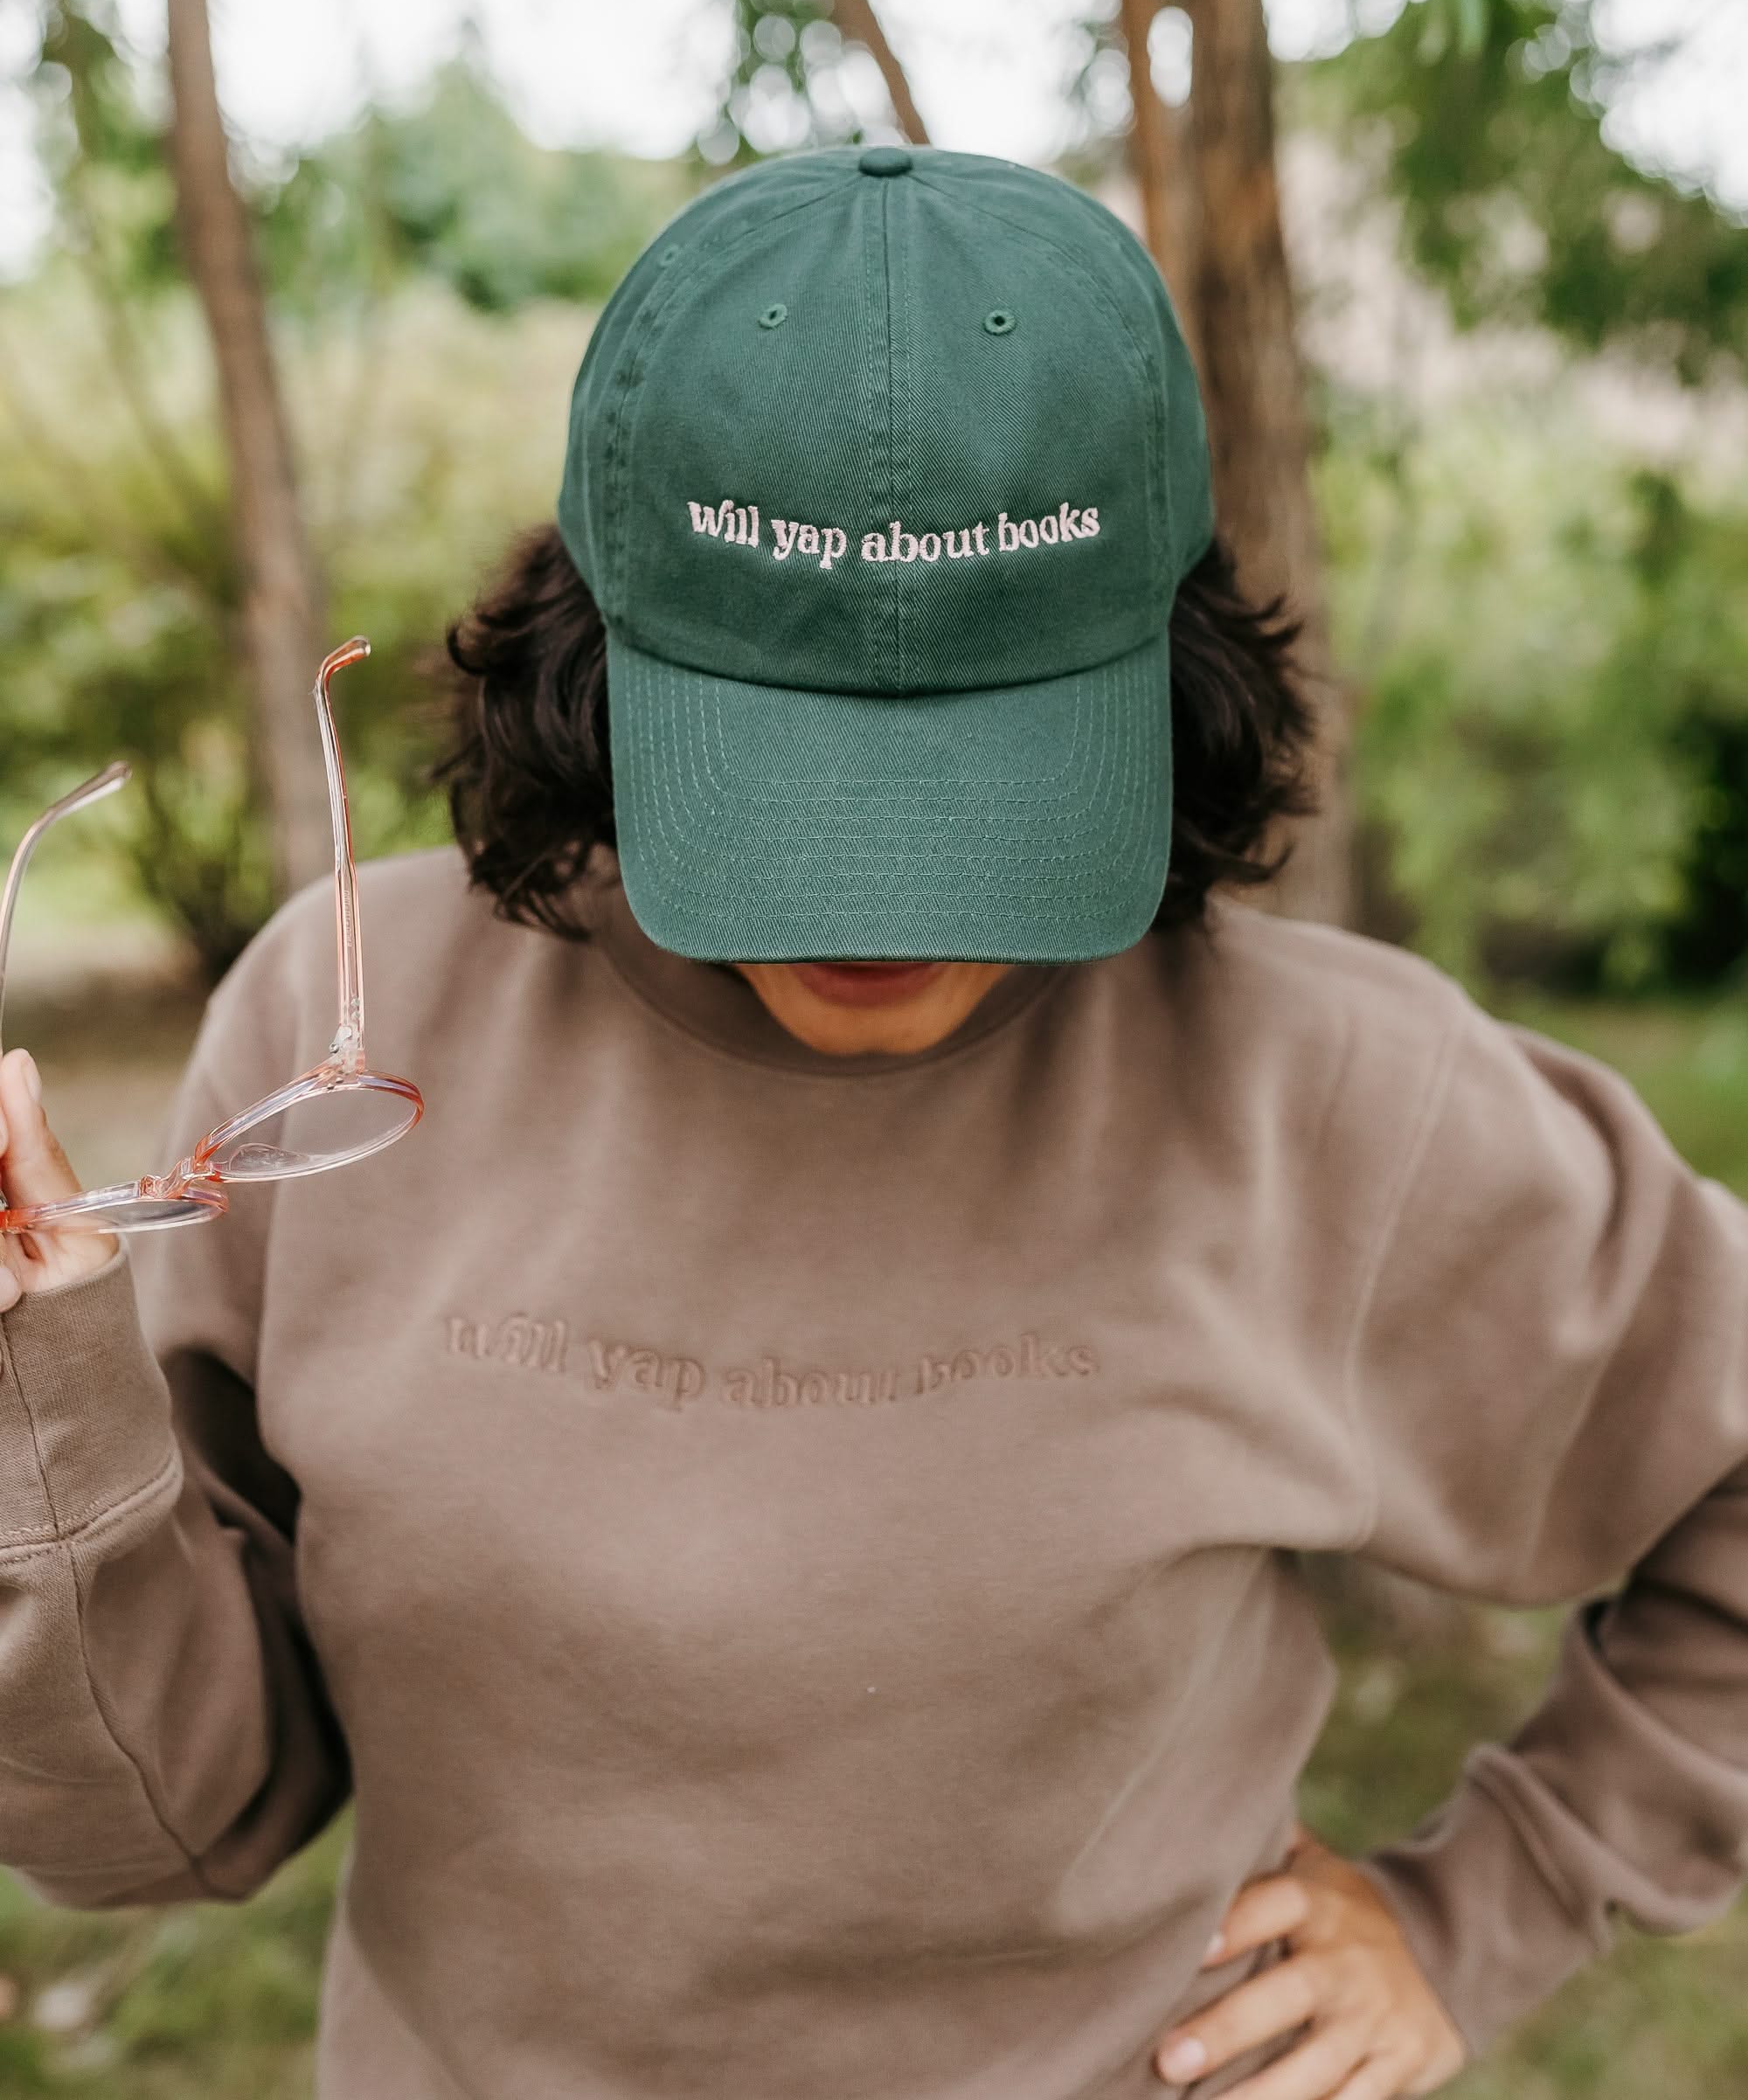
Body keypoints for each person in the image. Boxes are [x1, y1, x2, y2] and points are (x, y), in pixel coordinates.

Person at [0, 142, 1745, 2100]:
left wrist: (1481, 1905)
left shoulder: (1333, 1097)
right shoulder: (347, 1044)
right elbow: (162, 1827)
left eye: (977, 795)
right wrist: (31, 1418)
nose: (878, 910)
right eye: (788, 785)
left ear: (1164, 690)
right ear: (594, 664)